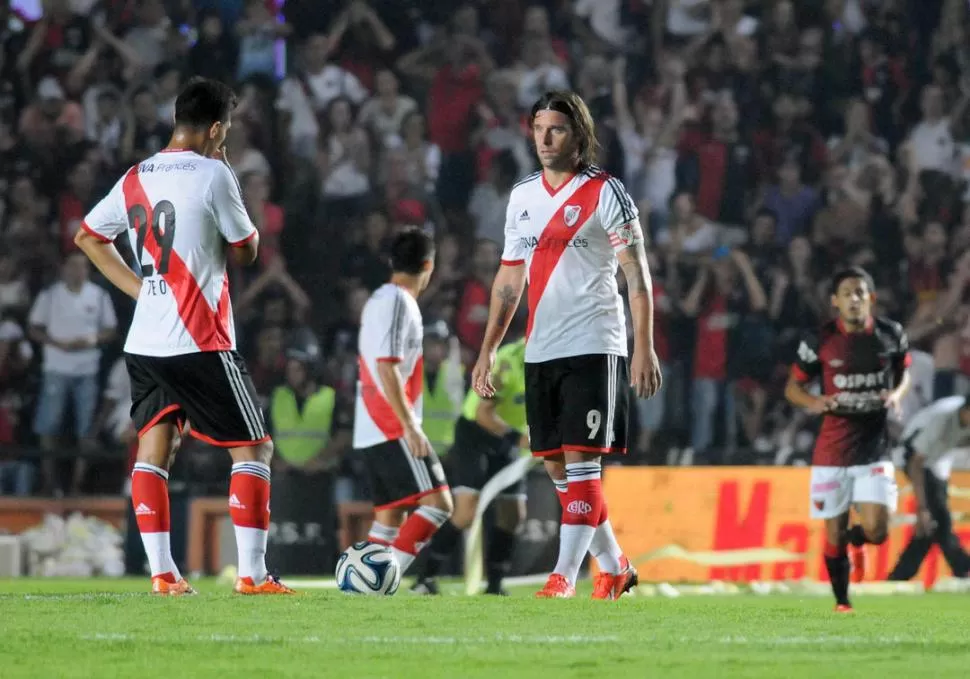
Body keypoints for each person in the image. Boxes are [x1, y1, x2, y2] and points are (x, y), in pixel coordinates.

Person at [73, 77, 293, 596]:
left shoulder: (136, 175)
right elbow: (246, 251)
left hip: (145, 341)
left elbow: (87, 237)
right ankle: (253, 576)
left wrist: (141, 287)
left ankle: (163, 574)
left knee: (155, 450)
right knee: (254, 450)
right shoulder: (214, 173)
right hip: (200, 338)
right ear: (216, 128)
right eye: (228, 130)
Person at [471, 90, 662, 600]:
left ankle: (562, 577)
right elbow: (509, 280)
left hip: (595, 341)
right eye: (538, 129)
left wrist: (643, 346)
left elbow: (636, 277)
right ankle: (615, 564)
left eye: (555, 129)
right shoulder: (523, 196)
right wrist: (488, 348)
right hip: (541, 346)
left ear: (579, 133)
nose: (544, 138)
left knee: (582, 461)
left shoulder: (607, 192)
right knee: (557, 465)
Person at [785, 267, 911, 612]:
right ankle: (843, 603)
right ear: (835, 302)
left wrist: (897, 393)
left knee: (878, 531)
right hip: (832, 452)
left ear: (871, 298)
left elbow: (904, 374)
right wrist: (815, 402)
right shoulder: (819, 340)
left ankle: (861, 541)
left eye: (860, 293)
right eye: (847, 294)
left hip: (874, 451)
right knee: (834, 534)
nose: (854, 299)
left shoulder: (891, 335)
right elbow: (792, 387)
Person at [353, 227, 454, 576]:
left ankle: (366, 593)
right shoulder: (398, 302)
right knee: (438, 504)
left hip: (371, 425)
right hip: (390, 424)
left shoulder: (381, 299)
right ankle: (379, 578)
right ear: (429, 265)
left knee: (389, 518)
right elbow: (387, 366)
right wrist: (410, 425)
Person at [413, 335, 529, 596]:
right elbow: (483, 412)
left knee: (513, 514)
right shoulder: (508, 362)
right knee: (466, 511)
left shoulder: (557, 359)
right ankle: (425, 577)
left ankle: (496, 585)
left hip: (509, 436)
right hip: (476, 434)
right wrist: (520, 439)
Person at [888, 396, 970, 581]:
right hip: (913, 458)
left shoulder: (962, 416)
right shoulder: (941, 419)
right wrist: (922, 507)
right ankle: (964, 568)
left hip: (938, 460)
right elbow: (916, 462)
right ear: (966, 410)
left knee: (930, 527)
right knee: (939, 517)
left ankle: (898, 577)